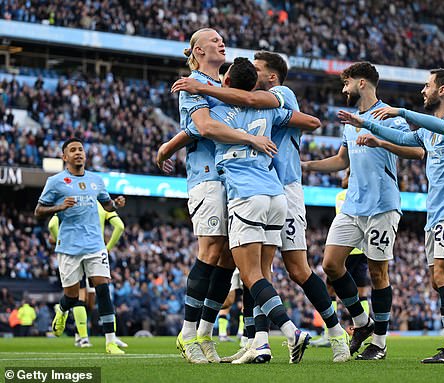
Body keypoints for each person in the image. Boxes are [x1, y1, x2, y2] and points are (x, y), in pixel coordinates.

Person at [173, 51, 350, 363]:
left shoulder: (276, 95)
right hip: (268, 188)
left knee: (292, 268)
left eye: (259, 69)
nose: (254, 74)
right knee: (253, 269)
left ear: (271, 77)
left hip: (279, 188)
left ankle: (331, 334)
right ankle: (258, 341)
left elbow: (309, 120)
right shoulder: (249, 102)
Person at [339, 68, 444, 363]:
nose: (422, 91)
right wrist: (366, 125)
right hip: (435, 211)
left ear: (442, 90)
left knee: (443, 276)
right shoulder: (428, 130)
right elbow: (402, 136)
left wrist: (401, 111)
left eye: (427, 86)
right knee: (438, 281)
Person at [156, 28, 276, 364]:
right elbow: (205, 128)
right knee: (209, 250)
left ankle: (206, 334)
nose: (220, 42)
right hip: (206, 176)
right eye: (213, 40)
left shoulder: (222, 86)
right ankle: (187, 333)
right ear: (197, 50)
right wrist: (249, 139)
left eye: (222, 39)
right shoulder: (191, 85)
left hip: (233, 179)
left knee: (227, 257)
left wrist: (168, 145)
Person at [303, 62, 425, 360]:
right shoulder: (349, 120)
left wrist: (379, 139)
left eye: (346, 83)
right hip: (353, 205)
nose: (343, 89)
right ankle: (361, 321)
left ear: (361, 83)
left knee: (377, 273)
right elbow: (342, 161)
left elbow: (418, 151)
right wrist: (306, 166)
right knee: (331, 264)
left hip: (383, 206)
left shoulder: (388, 115)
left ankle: (379, 343)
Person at [34, 137, 126, 354]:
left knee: (103, 289)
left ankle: (110, 341)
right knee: (73, 296)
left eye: (81, 149)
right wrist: (58, 207)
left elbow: (107, 205)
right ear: (65, 157)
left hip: (95, 244)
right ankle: (62, 309)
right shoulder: (56, 182)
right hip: (69, 247)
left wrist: (116, 204)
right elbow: (38, 212)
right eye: (73, 150)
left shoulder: (96, 180)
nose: (78, 153)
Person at [48, 201, 126, 348]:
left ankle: (81, 335)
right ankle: (90, 337)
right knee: (89, 295)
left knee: (87, 301)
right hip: (94, 253)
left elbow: (52, 225)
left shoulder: (74, 202)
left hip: (75, 252)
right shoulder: (100, 204)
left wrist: (61, 242)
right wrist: (107, 248)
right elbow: (120, 226)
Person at [312, 168, 371, 347]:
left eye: (346, 175)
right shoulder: (367, 194)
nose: (343, 179)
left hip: (346, 252)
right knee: (362, 293)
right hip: (362, 250)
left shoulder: (342, 196)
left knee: (329, 290)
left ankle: (328, 333)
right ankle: (363, 332)